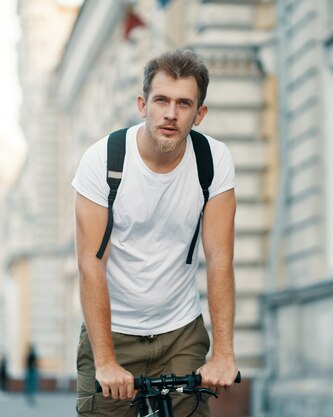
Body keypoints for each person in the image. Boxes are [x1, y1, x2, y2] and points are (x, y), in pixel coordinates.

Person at [72, 49, 238, 417]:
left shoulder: (214, 161)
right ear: (142, 104)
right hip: (112, 330)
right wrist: (105, 361)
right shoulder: (102, 161)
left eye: (184, 103)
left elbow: (221, 259)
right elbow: (90, 264)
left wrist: (224, 353)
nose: (171, 113)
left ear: (200, 114)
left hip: (180, 330)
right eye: (161, 100)